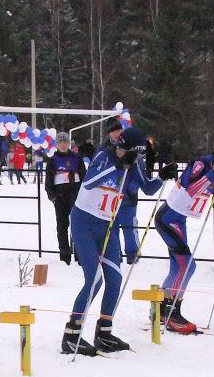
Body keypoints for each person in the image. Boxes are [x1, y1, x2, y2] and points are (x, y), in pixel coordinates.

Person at [61, 127, 164, 356]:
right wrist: (117, 165)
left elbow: (147, 188)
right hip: (84, 223)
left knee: (115, 278)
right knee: (95, 279)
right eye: (136, 154)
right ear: (125, 148)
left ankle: (104, 332)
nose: (138, 159)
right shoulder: (103, 155)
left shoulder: (133, 162)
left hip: (107, 225)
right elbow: (89, 182)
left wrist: (163, 177)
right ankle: (71, 334)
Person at [155, 141, 214, 333]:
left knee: (178, 265)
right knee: (187, 265)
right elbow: (189, 189)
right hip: (169, 217)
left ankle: (161, 307)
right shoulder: (201, 165)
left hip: (178, 219)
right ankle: (171, 311)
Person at [46, 132, 86, 264]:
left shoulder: (77, 158)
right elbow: (48, 182)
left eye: (65, 142)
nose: (63, 144)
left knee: (77, 226)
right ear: (56, 145)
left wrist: (83, 195)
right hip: (60, 198)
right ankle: (64, 256)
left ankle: (79, 255)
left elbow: (84, 177)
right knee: (62, 227)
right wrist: (53, 197)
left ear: (69, 143)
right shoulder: (52, 160)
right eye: (60, 142)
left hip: (75, 197)